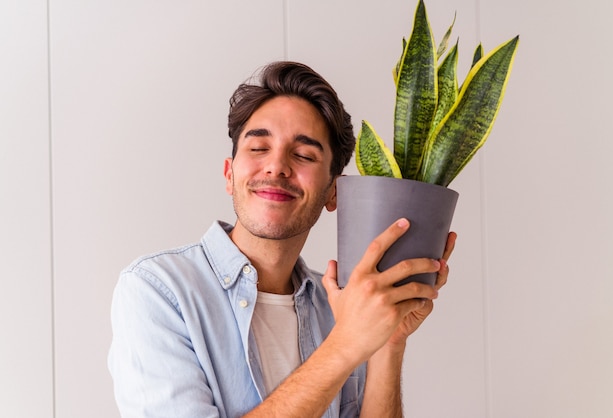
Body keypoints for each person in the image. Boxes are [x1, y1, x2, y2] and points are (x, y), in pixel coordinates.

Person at [108, 61, 456, 418]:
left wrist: (388, 341)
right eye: (258, 148)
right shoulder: (157, 290)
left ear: (334, 192)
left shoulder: (340, 305)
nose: (276, 166)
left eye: (304, 155)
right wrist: (347, 344)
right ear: (230, 175)